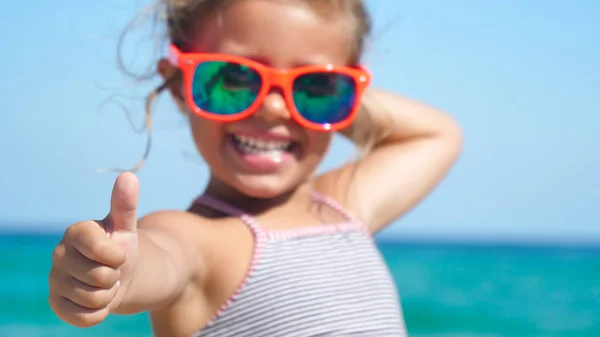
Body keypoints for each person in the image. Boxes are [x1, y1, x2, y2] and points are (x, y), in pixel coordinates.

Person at [48, 0, 463, 336]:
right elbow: (158, 264)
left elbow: (438, 135)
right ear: (178, 84)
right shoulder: (200, 239)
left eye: (316, 85)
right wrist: (114, 273)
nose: (273, 108)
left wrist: (328, 93)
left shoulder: (342, 206)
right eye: (232, 78)